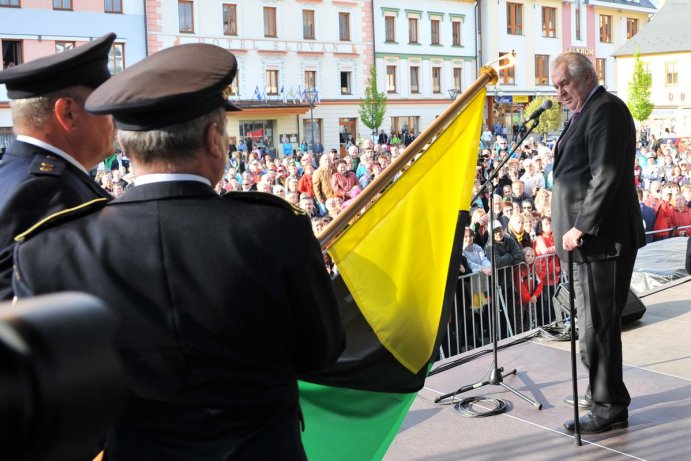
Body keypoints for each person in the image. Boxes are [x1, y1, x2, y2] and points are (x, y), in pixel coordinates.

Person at [12, 43, 345, 460]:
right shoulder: (275, 230)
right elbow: (321, 353)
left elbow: (55, 402)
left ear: (127, 145)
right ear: (213, 140)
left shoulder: (50, 250)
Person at [551, 52, 645, 434]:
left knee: (600, 327)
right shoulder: (583, 112)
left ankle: (609, 407)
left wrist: (581, 227)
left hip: (602, 241)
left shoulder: (606, 110)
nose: (559, 94)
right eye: (555, 87)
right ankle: (600, 391)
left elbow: (605, 175)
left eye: (564, 84)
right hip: (586, 246)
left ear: (587, 77)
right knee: (591, 326)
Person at [0, 33, 116, 300]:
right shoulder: (49, 192)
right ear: (68, 114)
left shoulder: (15, 175)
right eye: (105, 106)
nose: (114, 120)